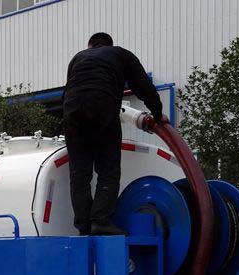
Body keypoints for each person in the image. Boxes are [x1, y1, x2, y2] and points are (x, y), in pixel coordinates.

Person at [62, 32, 168, 236]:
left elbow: (68, 91)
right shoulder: (120, 54)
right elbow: (143, 86)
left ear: (90, 45)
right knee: (108, 170)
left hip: (72, 114)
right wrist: (157, 113)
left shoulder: (77, 58)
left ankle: (83, 226)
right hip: (102, 108)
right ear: (109, 45)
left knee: (79, 174)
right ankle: (100, 221)